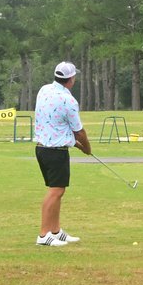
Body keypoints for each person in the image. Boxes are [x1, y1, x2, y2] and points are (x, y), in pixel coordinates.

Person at [34, 62, 91, 247]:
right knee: (56, 191)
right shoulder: (69, 100)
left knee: (58, 190)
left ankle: (56, 231)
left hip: (42, 149)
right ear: (71, 80)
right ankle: (43, 235)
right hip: (55, 151)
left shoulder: (44, 89)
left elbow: (57, 123)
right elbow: (79, 131)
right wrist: (87, 148)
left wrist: (76, 143)